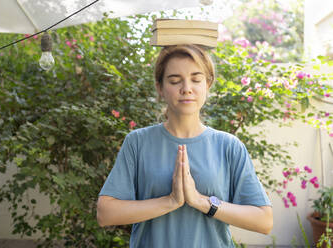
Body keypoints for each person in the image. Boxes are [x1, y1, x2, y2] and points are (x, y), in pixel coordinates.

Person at [97, 44, 273, 248]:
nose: (186, 88)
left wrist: (201, 201)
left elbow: (264, 220)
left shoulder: (228, 146)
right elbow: (105, 213)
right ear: (160, 87)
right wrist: (170, 201)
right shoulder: (138, 143)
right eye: (174, 80)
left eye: (196, 79)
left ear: (208, 85)